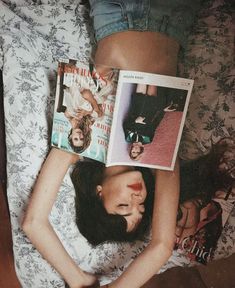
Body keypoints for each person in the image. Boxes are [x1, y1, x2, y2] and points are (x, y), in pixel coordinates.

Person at [22, 0, 202, 287]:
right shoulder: (157, 158)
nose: (137, 200)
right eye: (141, 207)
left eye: (122, 206)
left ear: (98, 192)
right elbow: (161, 247)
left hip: (114, 11)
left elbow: (33, 222)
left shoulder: (80, 146)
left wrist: (79, 280)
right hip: (173, 13)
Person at [123, 84, 171, 160]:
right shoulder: (148, 139)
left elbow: (125, 124)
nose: (133, 150)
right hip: (150, 108)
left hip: (137, 104)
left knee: (143, 81)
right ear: (140, 151)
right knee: (153, 82)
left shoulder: (128, 138)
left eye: (132, 152)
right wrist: (163, 111)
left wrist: (135, 120)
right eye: (136, 152)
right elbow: (155, 123)